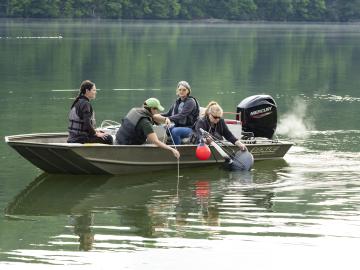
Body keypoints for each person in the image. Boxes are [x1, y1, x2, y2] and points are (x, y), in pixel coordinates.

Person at [115, 97, 180, 159]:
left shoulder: (135, 110)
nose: (158, 112)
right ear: (152, 109)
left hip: (118, 139)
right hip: (126, 146)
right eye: (157, 109)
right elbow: (156, 142)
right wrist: (172, 149)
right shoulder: (145, 123)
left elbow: (153, 117)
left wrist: (166, 119)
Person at [67, 80, 113, 144]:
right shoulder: (85, 104)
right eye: (94, 90)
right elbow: (87, 124)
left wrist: (96, 132)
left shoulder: (77, 102)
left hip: (72, 137)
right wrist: (96, 133)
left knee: (102, 133)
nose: (95, 92)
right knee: (108, 138)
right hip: (80, 139)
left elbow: (86, 125)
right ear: (87, 91)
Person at [160, 81, 200, 145]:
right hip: (179, 126)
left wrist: (168, 118)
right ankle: (174, 143)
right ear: (177, 91)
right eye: (180, 90)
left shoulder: (190, 102)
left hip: (191, 128)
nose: (181, 91)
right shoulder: (178, 101)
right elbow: (168, 114)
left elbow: (182, 115)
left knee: (175, 131)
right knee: (166, 129)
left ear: (188, 91)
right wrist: (155, 115)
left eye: (184, 90)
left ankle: (178, 149)